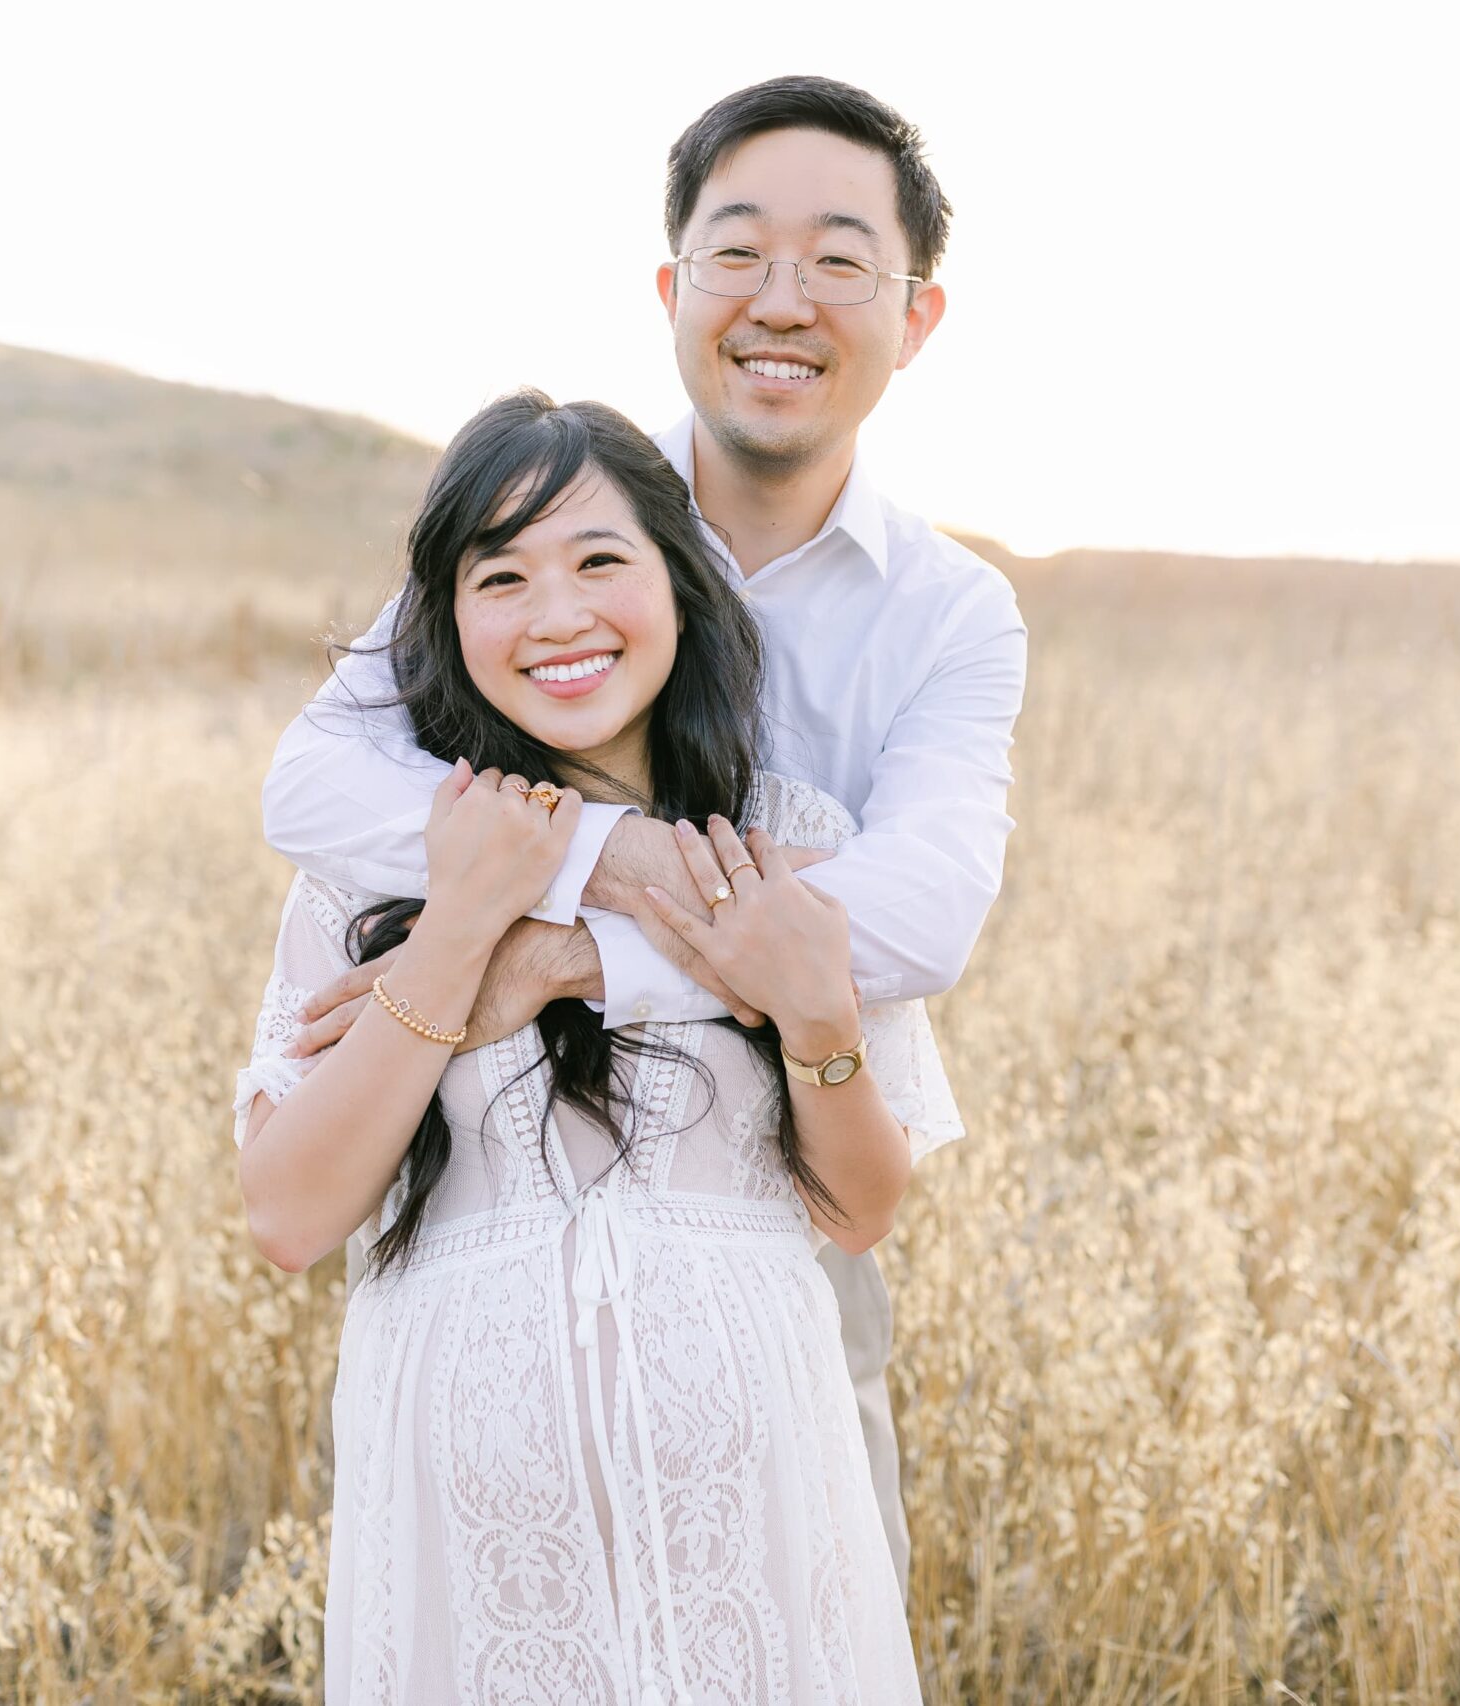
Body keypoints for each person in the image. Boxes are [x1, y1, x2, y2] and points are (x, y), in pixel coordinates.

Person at [260, 75, 1026, 1592]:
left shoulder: (949, 610)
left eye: (838, 261)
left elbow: (919, 918)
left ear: (917, 313)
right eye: (738, 253)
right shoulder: (550, 523)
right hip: (484, 1243)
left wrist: (555, 960)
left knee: (808, 1588)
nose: (781, 300)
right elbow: (311, 783)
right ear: (676, 288)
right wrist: (601, 861)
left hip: (768, 1221)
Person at [236, 392, 958, 1700]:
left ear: (678, 586)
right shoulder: (372, 870)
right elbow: (289, 1213)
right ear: (448, 625)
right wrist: (461, 935)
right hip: (481, 1571)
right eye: (500, 575)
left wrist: (821, 1020)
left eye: (600, 561)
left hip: (756, 1537)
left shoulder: (784, 840)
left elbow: (862, 1205)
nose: (557, 614)